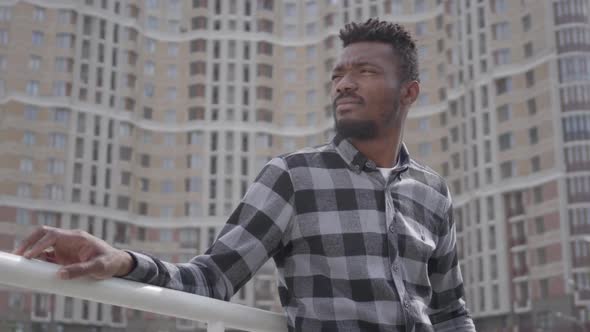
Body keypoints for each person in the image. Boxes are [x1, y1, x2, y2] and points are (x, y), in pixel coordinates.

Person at [13, 19, 476, 331]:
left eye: (365, 71)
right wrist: (123, 260)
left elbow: (450, 311)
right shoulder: (293, 177)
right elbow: (212, 277)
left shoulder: (432, 192)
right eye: (338, 74)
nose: (344, 84)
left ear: (408, 91)